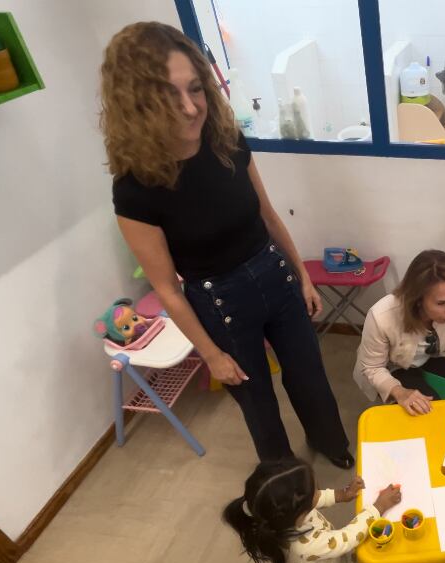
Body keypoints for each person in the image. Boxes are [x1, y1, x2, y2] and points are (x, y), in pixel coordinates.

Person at [101, 22, 353, 468]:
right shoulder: (135, 188)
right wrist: (212, 354)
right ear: (138, 105)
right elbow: (167, 289)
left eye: (195, 90)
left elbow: (268, 215)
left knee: (310, 376)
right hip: (219, 304)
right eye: (168, 97)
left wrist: (304, 276)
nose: (189, 108)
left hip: (274, 275)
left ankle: (332, 445)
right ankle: (283, 478)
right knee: (257, 401)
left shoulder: (227, 140)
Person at [221, 457, 402, 563]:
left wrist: (342, 494)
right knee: (369, 558)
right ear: (300, 512)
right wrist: (379, 506)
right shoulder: (308, 546)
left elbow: (315, 500)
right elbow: (348, 537)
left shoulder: (270, 520)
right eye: (314, 491)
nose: (318, 493)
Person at [354, 249, 445, 416]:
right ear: (417, 299)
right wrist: (399, 392)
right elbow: (373, 368)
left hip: (433, 357)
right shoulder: (381, 316)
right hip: (392, 366)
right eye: (442, 303)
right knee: (427, 414)